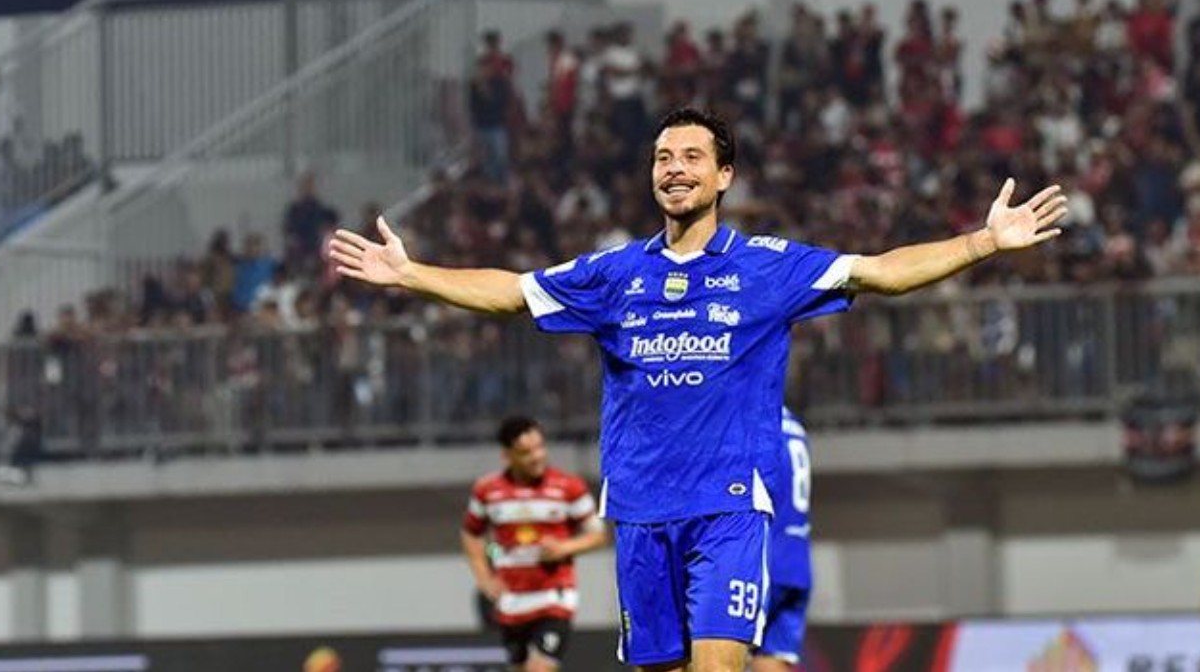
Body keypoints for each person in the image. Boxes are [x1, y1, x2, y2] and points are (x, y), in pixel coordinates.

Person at [331, 107, 1066, 672]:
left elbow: (882, 272)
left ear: (724, 177)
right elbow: (513, 293)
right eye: (663, 157)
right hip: (639, 510)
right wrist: (412, 274)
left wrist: (983, 242)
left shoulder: (768, 268)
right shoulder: (615, 274)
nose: (674, 169)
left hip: (727, 507)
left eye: (691, 157)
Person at [460, 416, 608, 672]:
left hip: (554, 596)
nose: (537, 456)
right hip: (511, 600)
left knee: (538, 669)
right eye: (526, 452)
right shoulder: (487, 490)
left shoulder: (569, 487)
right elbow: (471, 533)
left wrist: (564, 548)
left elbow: (598, 535)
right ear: (507, 455)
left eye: (540, 447)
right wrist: (484, 578)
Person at [754, 407, 812, 672]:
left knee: (710, 655)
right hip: (797, 562)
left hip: (762, 562)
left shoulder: (753, 420)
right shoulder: (794, 424)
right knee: (772, 661)